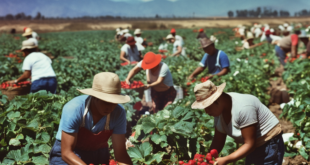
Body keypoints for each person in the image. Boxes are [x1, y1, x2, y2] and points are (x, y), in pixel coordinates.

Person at [191, 80, 284, 165]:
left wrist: (226, 159)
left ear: (217, 100)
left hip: (269, 144)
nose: (206, 112)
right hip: (252, 147)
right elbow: (218, 140)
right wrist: (208, 159)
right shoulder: (219, 111)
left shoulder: (243, 107)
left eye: (208, 107)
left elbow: (249, 144)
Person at [49, 72, 133, 165]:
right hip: (69, 155)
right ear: (94, 97)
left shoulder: (118, 113)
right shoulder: (74, 109)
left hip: (97, 153)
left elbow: (120, 155)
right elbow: (66, 153)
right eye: (106, 102)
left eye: (114, 102)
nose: (111, 107)